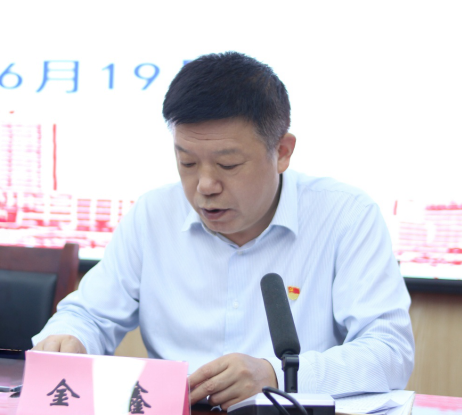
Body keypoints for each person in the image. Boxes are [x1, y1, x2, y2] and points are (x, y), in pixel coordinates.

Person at [32, 52, 415, 409]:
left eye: (228, 165)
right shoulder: (153, 214)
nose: (205, 186)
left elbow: (389, 350)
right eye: (187, 163)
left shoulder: (346, 215)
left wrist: (277, 375)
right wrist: (70, 338)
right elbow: (90, 316)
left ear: (282, 152)